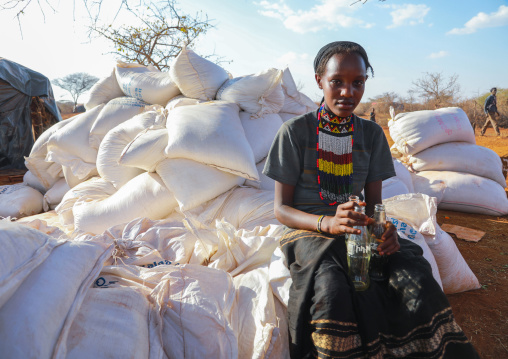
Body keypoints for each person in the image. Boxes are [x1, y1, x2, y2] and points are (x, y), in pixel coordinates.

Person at [263, 41, 479, 359]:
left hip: (357, 228)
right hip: (309, 231)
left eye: (358, 82)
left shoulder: (372, 135)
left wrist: (382, 229)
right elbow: (281, 209)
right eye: (337, 81)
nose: (348, 92)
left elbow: (376, 204)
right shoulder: (295, 133)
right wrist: (328, 223)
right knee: (332, 292)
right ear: (319, 80)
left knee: (414, 278)